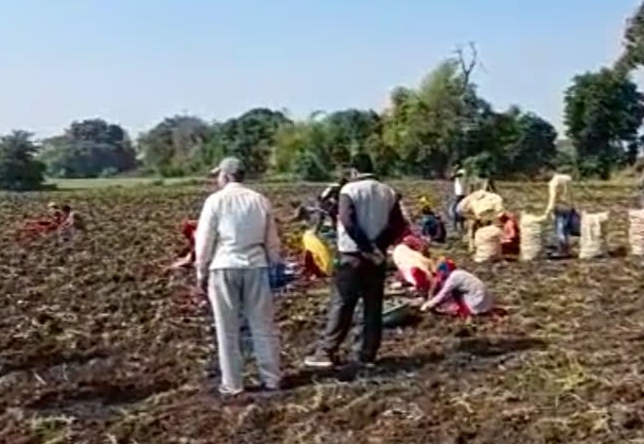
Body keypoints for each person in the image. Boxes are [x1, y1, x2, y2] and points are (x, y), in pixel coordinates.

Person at [304, 153, 407, 369]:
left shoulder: (349, 190)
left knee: (342, 305)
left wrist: (366, 247)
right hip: (377, 259)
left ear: (354, 171)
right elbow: (397, 224)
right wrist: (377, 247)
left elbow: (348, 222)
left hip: (352, 256)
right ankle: (367, 354)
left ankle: (326, 352)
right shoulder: (388, 191)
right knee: (373, 307)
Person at [195, 157, 282, 395]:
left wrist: (200, 272)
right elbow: (272, 240)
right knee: (263, 325)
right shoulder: (259, 200)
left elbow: (204, 241)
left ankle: (233, 383)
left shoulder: (215, 201)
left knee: (227, 328)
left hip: (224, 265)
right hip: (255, 265)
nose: (217, 179)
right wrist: (274, 264)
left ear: (226, 175)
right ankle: (271, 378)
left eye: (218, 175)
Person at [421, 259, 493, 317]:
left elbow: (443, 294)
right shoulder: (459, 273)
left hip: (477, 303)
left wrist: (428, 305)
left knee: (452, 295)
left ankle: (462, 310)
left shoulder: (453, 278)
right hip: (485, 301)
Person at [449, 165, 468, 232]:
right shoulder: (460, 172)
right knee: (459, 209)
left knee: (456, 210)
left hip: (460, 194)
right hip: (459, 193)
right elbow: (451, 178)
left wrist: (454, 170)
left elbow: (453, 177)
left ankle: (455, 227)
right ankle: (460, 227)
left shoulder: (462, 171)